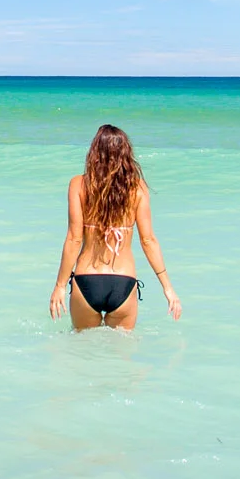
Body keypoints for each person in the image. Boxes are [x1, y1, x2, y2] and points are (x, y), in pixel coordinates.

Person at [50, 123, 182, 330]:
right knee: (122, 357)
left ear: (94, 152)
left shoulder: (78, 184)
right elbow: (148, 240)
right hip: (123, 282)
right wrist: (168, 288)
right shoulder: (137, 187)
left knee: (82, 354)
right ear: (126, 154)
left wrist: (59, 286)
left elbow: (74, 239)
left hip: (86, 281)